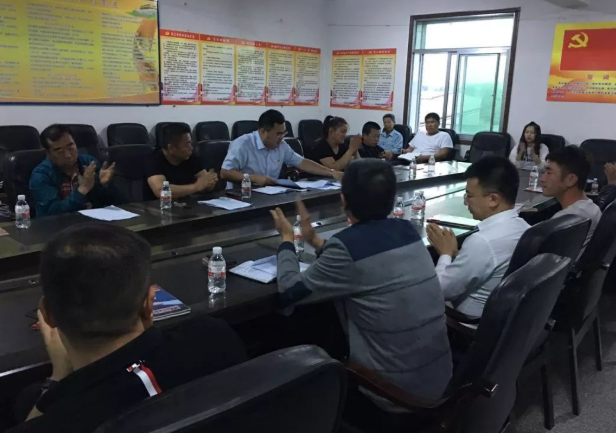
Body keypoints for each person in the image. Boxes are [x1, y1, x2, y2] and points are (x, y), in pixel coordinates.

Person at [11, 224, 246, 433]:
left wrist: (59, 377)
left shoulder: (45, 414)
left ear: (47, 315)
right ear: (149, 304)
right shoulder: (214, 338)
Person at [269, 159, 452, 416]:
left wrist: (287, 241)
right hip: (440, 379)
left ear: (343, 200)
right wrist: (314, 240)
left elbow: (289, 291)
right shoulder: (407, 230)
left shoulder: (347, 247)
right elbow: (362, 266)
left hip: (393, 395)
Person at [427, 157, 530, 317]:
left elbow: (439, 291)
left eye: (469, 196)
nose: (466, 203)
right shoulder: (524, 227)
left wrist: (445, 253)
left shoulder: (483, 242)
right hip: (508, 318)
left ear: (493, 199)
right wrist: (457, 254)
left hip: (466, 322)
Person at [221, 110, 343, 187]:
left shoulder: (281, 146)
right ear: (263, 132)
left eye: (283, 133)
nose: (281, 138)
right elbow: (225, 173)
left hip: (270, 195)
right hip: (243, 195)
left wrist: (331, 173)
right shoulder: (242, 144)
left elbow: (302, 162)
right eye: (278, 134)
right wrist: (253, 178)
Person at [30, 125, 118, 218]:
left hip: (91, 221)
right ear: (48, 153)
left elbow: (112, 203)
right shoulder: (41, 175)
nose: (68, 155)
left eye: (70, 146)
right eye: (59, 151)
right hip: (60, 224)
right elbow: (52, 212)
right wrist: (83, 189)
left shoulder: (89, 163)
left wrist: (104, 185)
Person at [541, 145, 601, 252]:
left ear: (571, 179)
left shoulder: (563, 221)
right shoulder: (594, 209)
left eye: (549, 172)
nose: (542, 178)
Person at [145, 123, 218, 200]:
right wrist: (195, 187)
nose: (191, 148)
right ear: (171, 148)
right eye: (187, 144)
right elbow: (161, 191)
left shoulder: (190, 157)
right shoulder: (153, 159)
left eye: (191, 143)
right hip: (159, 205)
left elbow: (204, 181)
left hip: (186, 203)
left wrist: (210, 182)